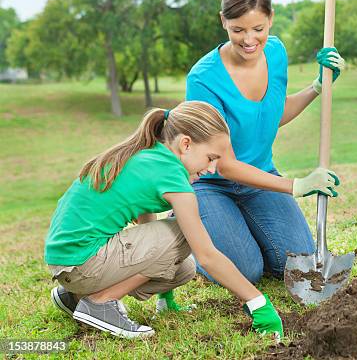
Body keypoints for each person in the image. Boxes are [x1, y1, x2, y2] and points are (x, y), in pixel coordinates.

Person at [44, 101, 283, 340]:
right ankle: (100, 303)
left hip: (68, 265)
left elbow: (146, 225)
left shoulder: (149, 156)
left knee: (184, 270)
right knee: (182, 232)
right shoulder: (171, 175)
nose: (212, 169)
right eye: (211, 158)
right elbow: (207, 256)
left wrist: (165, 296)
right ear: (186, 144)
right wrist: (258, 302)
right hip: (85, 264)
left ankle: (72, 297)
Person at [186, 0, 345, 284]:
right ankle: (197, 240)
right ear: (223, 22)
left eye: (258, 28)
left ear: (271, 17)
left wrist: (317, 87)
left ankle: (233, 231)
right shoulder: (204, 79)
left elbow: (271, 115)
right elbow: (224, 163)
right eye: (237, 30)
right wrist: (296, 185)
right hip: (211, 184)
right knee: (247, 271)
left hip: (260, 179)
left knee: (297, 260)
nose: (249, 40)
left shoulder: (276, 53)